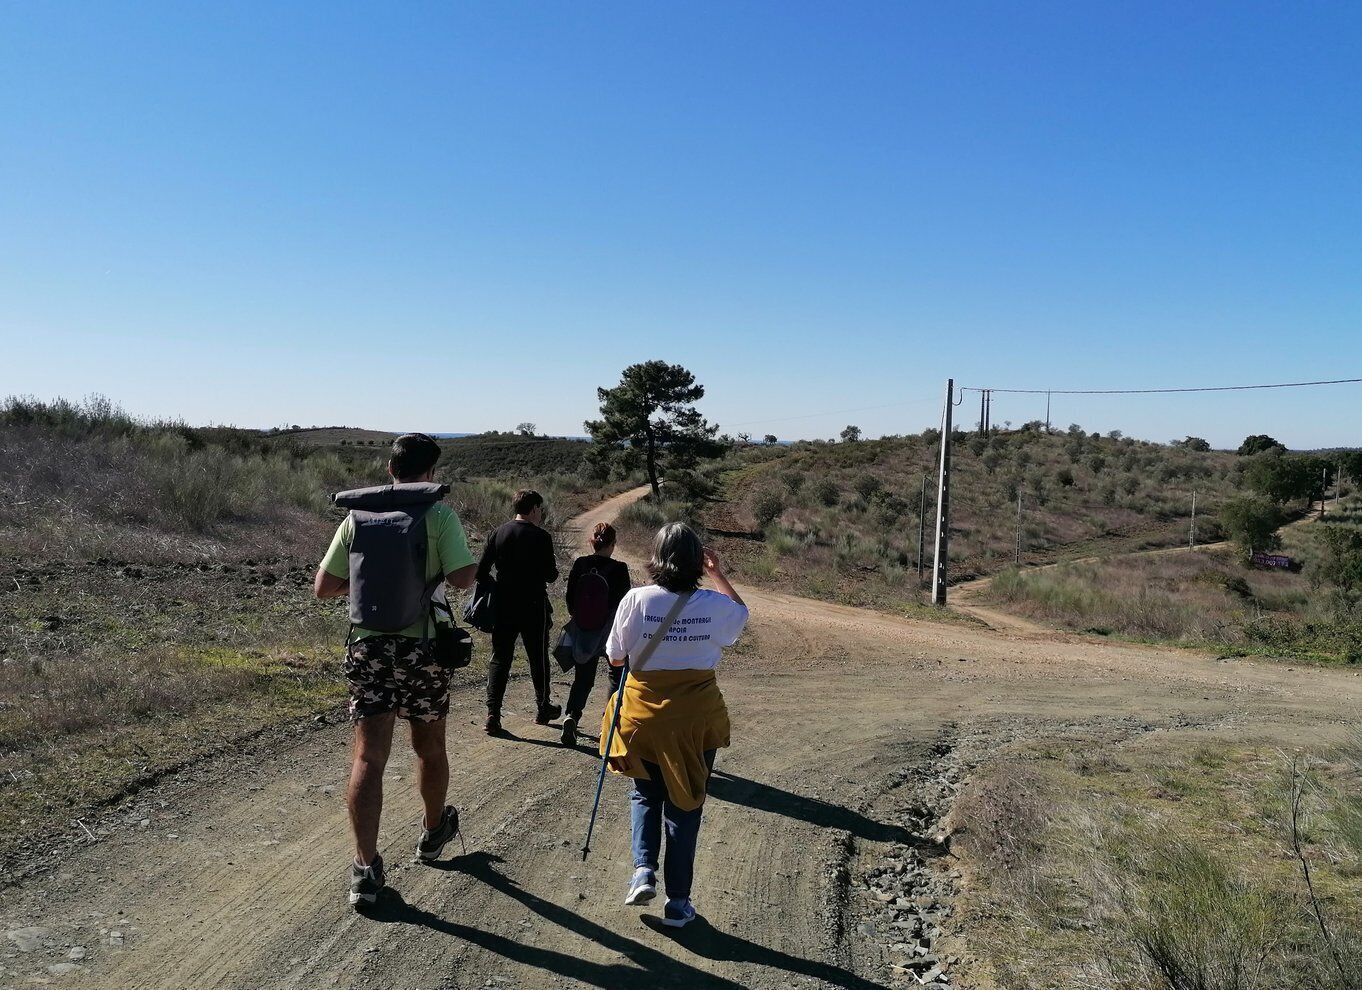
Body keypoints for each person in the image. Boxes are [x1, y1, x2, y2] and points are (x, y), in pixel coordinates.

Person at [314, 433, 478, 907]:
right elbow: (463, 578)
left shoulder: (357, 517)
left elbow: (324, 587)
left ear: (391, 469)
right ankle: (432, 832)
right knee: (429, 746)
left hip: (369, 650)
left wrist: (372, 587)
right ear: (432, 473)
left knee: (369, 757)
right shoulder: (440, 514)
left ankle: (365, 868)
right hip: (424, 651)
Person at [600, 522, 748, 928]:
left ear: (656, 558)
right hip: (694, 720)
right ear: (699, 561)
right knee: (686, 806)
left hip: (641, 717)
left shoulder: (636, 599)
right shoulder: (714, 606)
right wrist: (717, 574)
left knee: (645, 794)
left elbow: (614, 656)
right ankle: (678, 902)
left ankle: (642, 870)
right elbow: (741, 617)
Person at [479, 489, 560, 734]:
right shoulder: (541, 537)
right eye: (540, 510)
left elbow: (481, 572)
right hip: (534, 605)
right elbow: (551, 574)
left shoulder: (498, 533)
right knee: (538, 658)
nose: (541, 514)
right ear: (534, 508)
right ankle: (542, 707)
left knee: (500, 658)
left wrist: (498, 586)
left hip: (504, 605)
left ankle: (493, 713)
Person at [560, 522, 632, 748]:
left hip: (585, 628)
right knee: (615, 676)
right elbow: (625, 604)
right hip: (610, 630)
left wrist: (580, 617)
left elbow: (570, 598)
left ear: (592, 542)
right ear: (612, 544)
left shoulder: (581, 564)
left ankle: (572, 715)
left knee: (583, 677)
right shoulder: (620, 569)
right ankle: (608, 726)